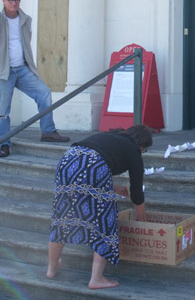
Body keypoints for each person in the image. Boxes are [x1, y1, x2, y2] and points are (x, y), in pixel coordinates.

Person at [46, 124, 153, 289]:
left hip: (67, 160)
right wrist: (142, 221)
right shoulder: (134, 151)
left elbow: (87, 172)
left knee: (63, 216)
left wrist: (115, 188)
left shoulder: (111, 137)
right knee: (105, 220)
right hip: (94, 165)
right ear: (142, 146)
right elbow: (137, 193)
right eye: (144, 150)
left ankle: (51, 269)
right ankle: (96, 278)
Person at [0, 0, 69, 158]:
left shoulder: (26, 19)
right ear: (3, 0)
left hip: (22, 69)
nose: (14, 3)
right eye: (10, 0)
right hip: (4, 71)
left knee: (44, 92)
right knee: (2, 111)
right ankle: (4, 143)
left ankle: (48, 131)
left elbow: (26, 42)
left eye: (17, 0)